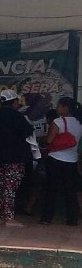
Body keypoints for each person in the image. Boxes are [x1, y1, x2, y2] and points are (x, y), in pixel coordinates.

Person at [0, 89, 34, 227]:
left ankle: (1, 216)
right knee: (10, 188)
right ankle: (9, 218)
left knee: (1, 187)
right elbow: (28, 132)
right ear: (14, 102)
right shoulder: (17, 116)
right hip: (15, 158)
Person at [40, 97, 82, 226]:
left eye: (59, 106)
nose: (57, 108)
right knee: (70, 190)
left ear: (66, 108)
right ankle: (72, 218)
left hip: (56, 158)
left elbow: (49, 140)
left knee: (51, 189)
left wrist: (42, 140)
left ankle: (47, 218)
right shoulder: (79, 122)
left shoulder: (58, 122)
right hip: (72, 159)